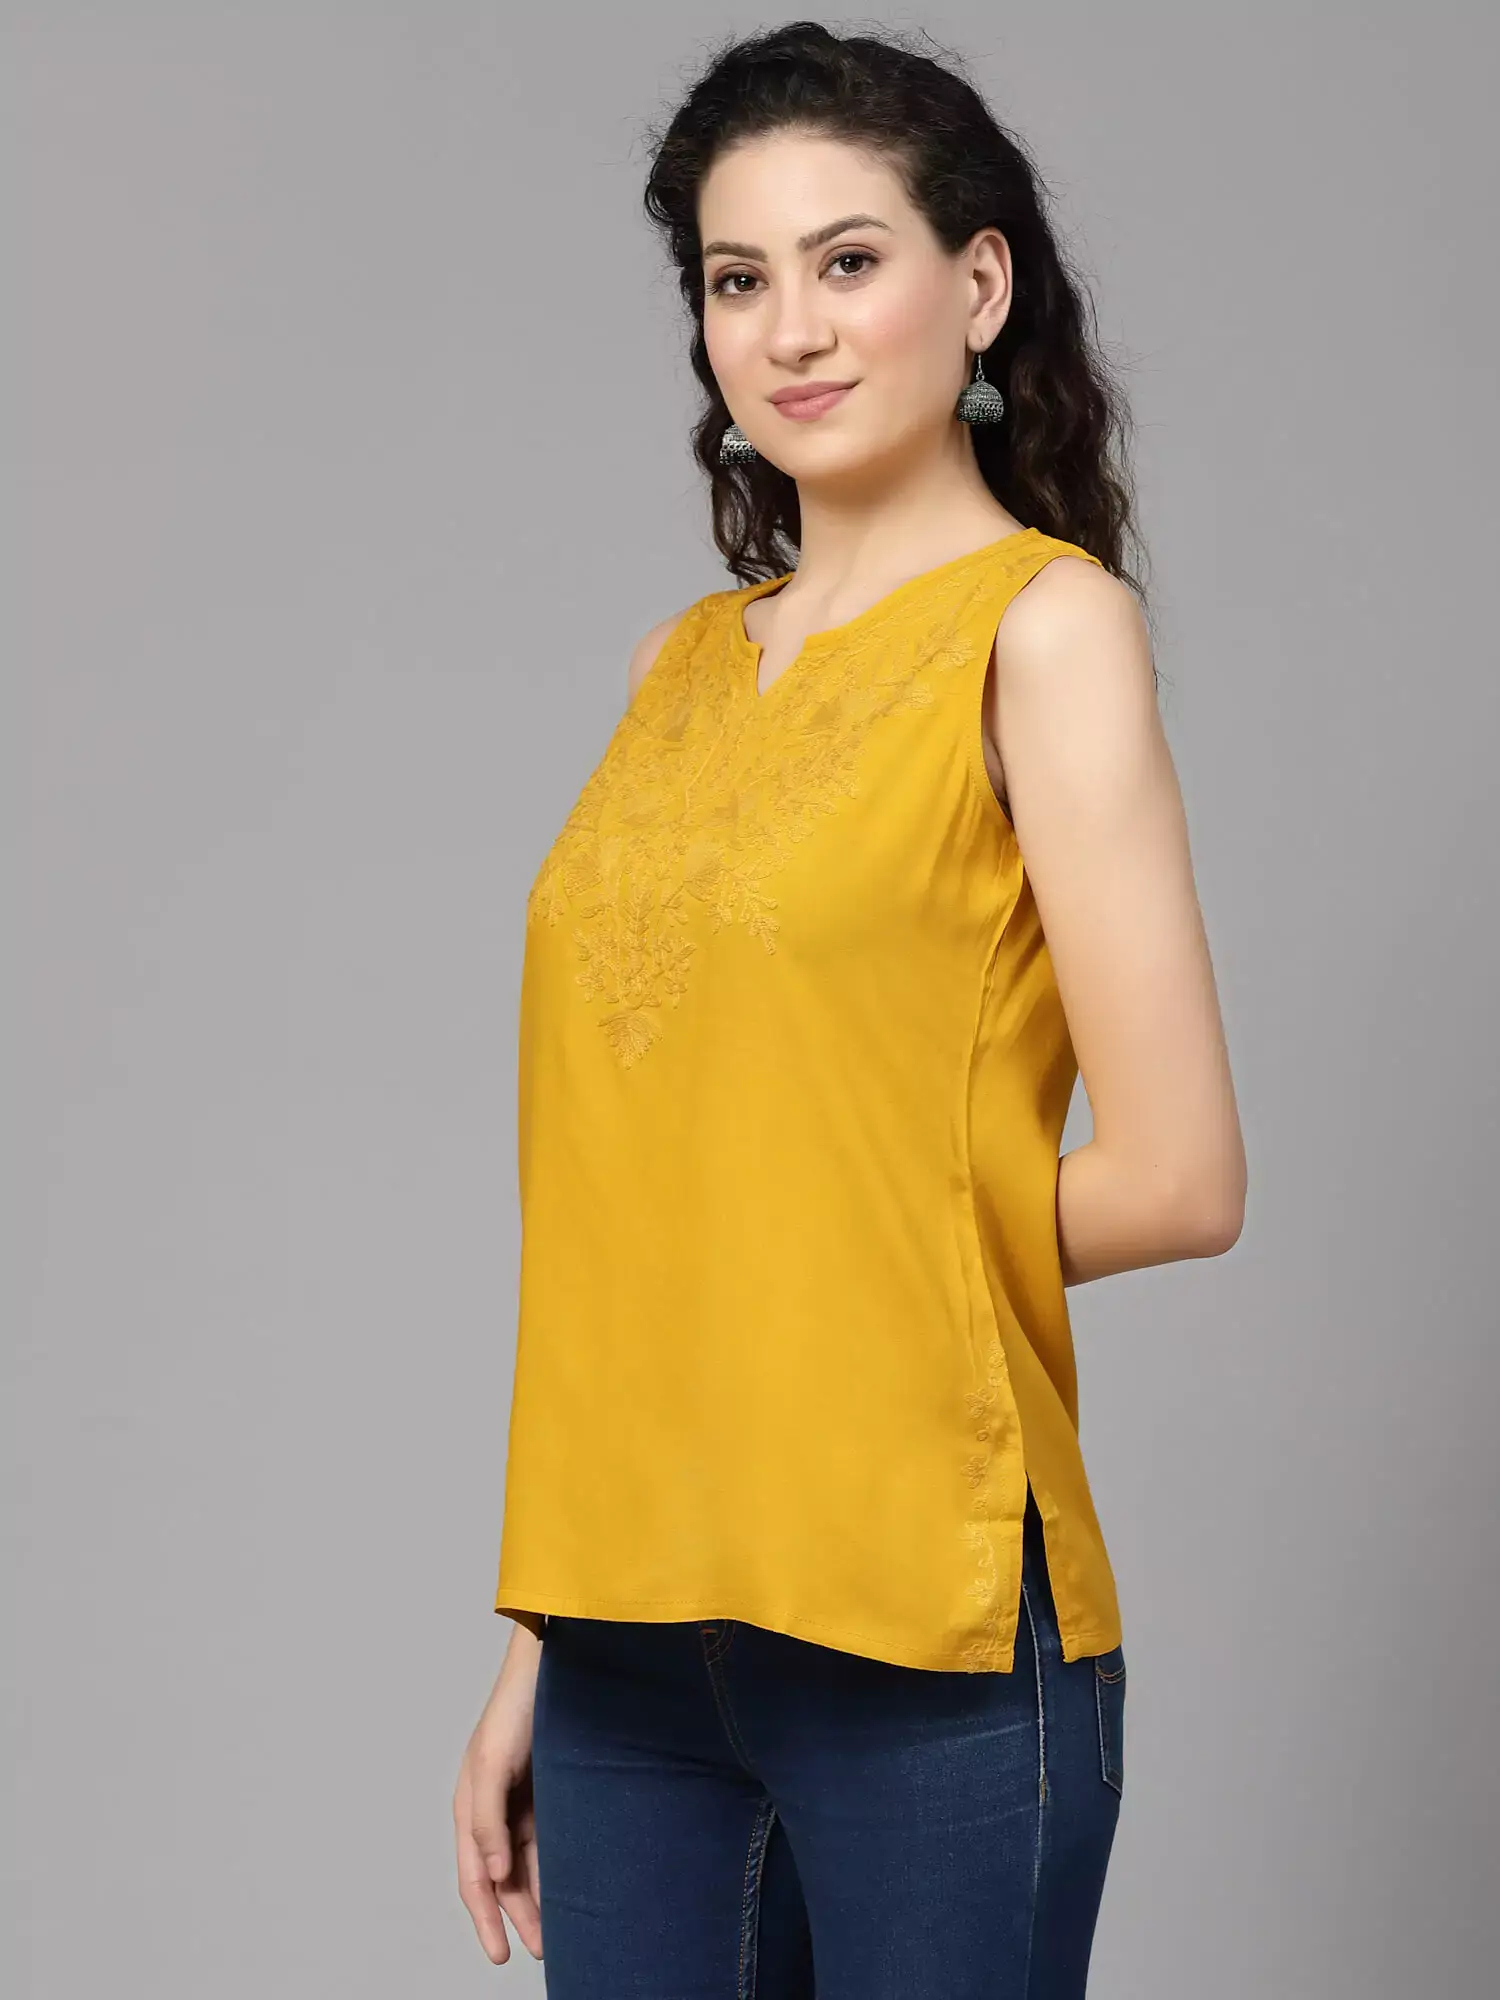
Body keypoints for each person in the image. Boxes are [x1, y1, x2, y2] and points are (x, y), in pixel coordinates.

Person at [454, 20, 1245, 1996]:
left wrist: (837, 1262)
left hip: (928, 1614)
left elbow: (1180, 1176)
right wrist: (543, 1636)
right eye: (738, 279)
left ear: (977, 284)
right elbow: (635, 1197)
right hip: (631, 1642)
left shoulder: (1045, 632)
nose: (790, 327)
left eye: (848, 259)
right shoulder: (674, 670)